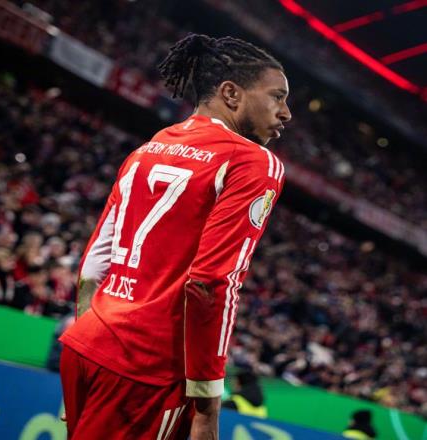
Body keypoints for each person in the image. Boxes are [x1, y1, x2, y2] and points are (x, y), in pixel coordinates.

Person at [59, 33, 291, 440]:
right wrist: (207, 404)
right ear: (231, 93)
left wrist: (91, 350)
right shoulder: (253, 162)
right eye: (277, 97)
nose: (286, 113)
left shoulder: (148, 149)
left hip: (88, 344)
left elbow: (95, 261)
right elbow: (212, 281)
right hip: (148, 369)